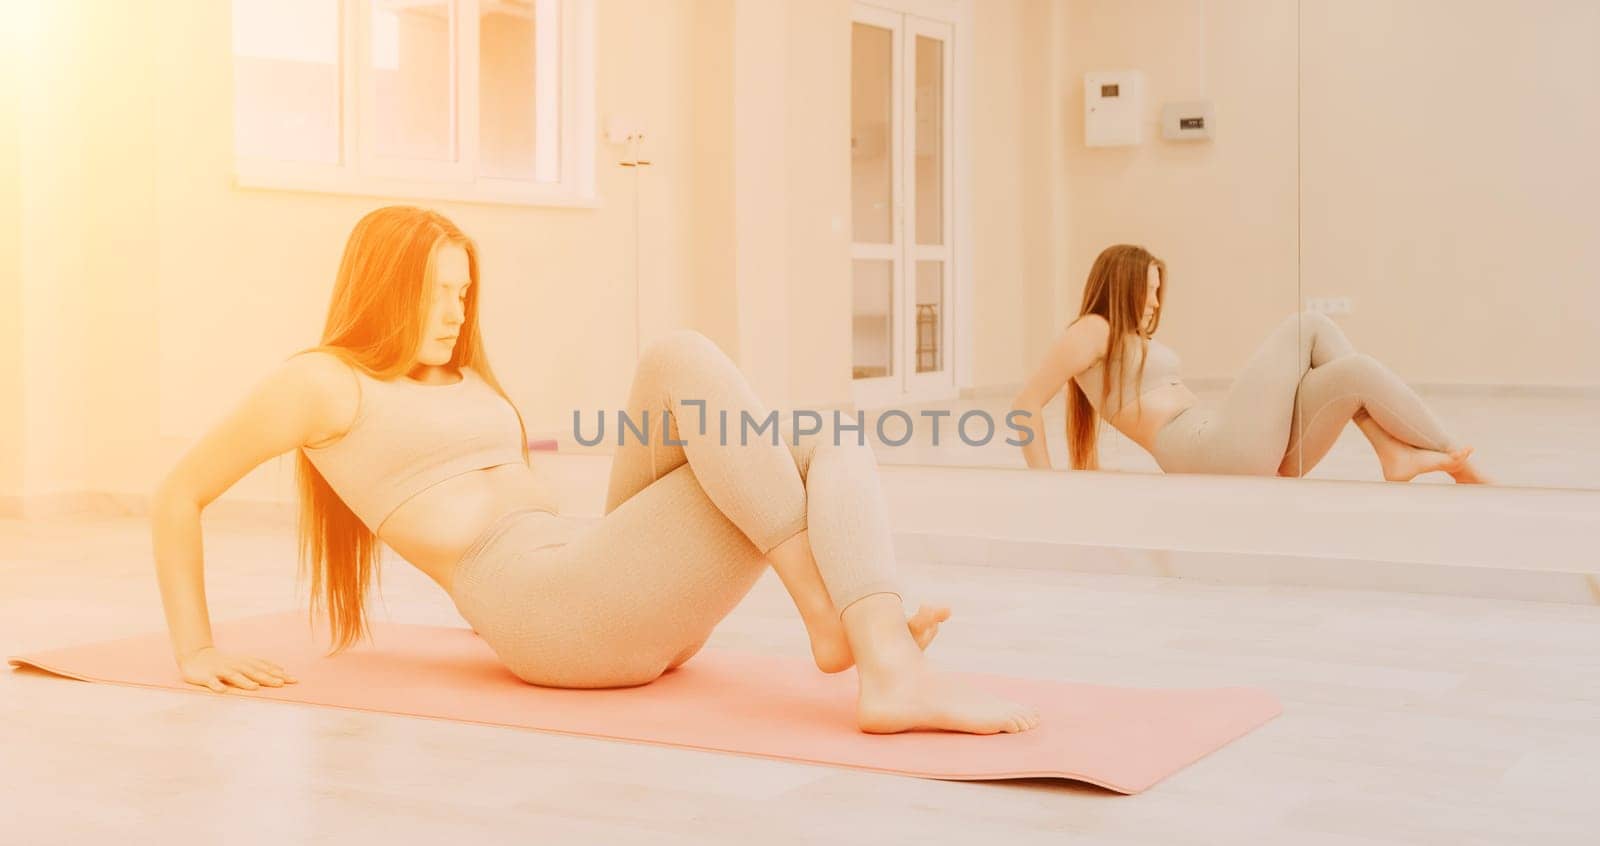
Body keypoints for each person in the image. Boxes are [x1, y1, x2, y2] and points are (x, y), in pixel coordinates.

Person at [151, 205, 1040, 736]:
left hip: (599, 571)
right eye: (436, 290)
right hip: (553, 615)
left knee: (808, 429)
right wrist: (195, 648)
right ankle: (852, 636)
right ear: (384, 288)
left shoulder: (460, 374)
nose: (456, 312)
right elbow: (180, 492)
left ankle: (866, 641)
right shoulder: (320, 382)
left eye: (464, 292)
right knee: (696, 360)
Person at [1012, 244, 1488, 483]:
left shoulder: (1125, 337)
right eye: (1148, 290)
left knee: (1354, 373)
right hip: (1202, 447)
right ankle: (1434, 458)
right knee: (1307, 325)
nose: (1156, 302)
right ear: (1121, 286)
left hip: (1224, 442)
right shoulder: (1094, 329)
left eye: (1159, 291)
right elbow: (1026, 404)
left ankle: (1402, 455)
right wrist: (1046, 487)